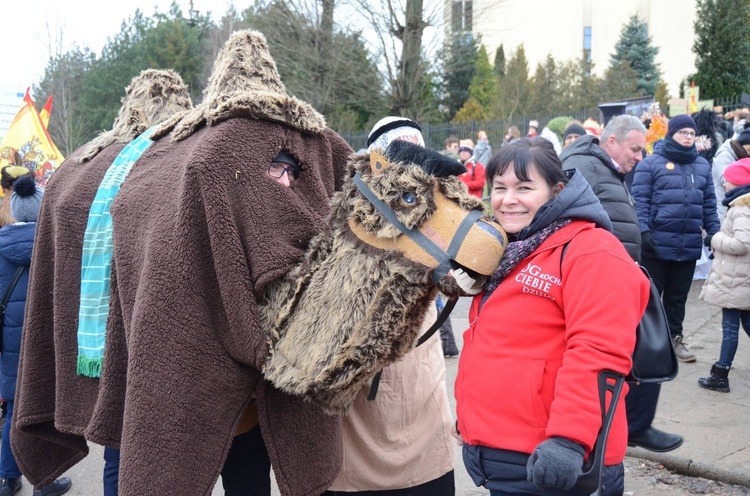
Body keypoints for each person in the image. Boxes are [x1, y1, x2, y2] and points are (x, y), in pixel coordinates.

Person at [9, 69, 193, 496]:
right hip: (163, 346)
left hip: (106, 348)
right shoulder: (184, 163)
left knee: (120, 448)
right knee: (164, 455)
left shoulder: (81, 168)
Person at [455, 138, 649, 495]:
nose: (508, 199)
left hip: (553, 461)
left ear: (556, 190)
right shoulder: (515, 248)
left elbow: (599, 352)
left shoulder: (592, 250)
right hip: (504, 455)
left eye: (524, 187)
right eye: (500, 188)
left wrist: (568, 441)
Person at [322, 117, 456, 496]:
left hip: (418, 354)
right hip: (362, 354)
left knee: (424, 448)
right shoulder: (348, 209)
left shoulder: (442, 207)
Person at [561, 115, 684, 453]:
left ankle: (632, 426)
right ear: (611, 142)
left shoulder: (606, 168)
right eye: (635, 149)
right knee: (639, 351)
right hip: (596, 282)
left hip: (616, 278)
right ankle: (608, 434)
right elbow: (563, 221)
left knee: (644, 353)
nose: (639, 157)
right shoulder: (586, 166)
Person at [0, 177, 72, 496]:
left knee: (14, 411)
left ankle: (7, 478)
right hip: (46, 343)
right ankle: (44, 480)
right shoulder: (57, 245)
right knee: (44, 409)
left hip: (10, 344)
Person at [633, 114, 721, 363]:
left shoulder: (702, 166)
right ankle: (644, 343)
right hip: (657, 244)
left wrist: (713, 232)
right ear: (671, 134)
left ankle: (675, 340)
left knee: (677, 299)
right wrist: (644, 232)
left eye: (692, 134)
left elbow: (708, 205)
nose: (688, 137)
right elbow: (640, 202)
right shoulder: (651, 164)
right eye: (683, 133)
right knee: (650, 297)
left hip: (688, 245)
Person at [698, 159, 750, 393]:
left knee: (730, 329)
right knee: (747, 323)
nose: (724, 182)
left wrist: (713, 240)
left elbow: (742, 243)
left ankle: (720, 374)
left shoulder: (740, 209)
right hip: (740, 278)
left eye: (728, 179)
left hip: (734, 280)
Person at [713, 126, 750, 220]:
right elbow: (727, 182)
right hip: (725, 206)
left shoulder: (740, 154)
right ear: (741, 145)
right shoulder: (725, 155)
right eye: (749, 150)